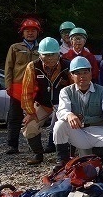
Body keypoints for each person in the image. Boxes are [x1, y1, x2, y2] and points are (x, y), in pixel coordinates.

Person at [53, 57, 103, 170]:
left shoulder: (102, 91)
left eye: (85, 72)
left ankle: (99, 158)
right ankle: (62, 161)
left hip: (98, 130)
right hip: (78, 132)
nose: (82, 76)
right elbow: (61, 110)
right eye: (77, 73)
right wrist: (69, 115)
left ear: (91, 73)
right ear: (71, 76)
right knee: (59, 125)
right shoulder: (66, 91)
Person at [20, 37, 72, 164]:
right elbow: (26, 92)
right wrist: (30, 113)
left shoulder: (68, 66)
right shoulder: (32, 67)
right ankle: (38, 154)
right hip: (43, 104)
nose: (49, 58)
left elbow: (75, 90)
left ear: (58, 54)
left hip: (62, 104)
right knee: (29, 127)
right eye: (46, 55)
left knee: (65, 127)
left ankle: (64, 156)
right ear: (40, 54)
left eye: (53, 55)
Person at [5, 18, 41, 154]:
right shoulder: (15, 47)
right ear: (23, 33)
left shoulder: (41, 47)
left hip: (36, 88)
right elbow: (8, 67)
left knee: (35, 117)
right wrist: (8, 85)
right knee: (14, 117)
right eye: (27, 31)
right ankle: (12, 145)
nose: (30, 33)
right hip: (18, 87)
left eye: (33, 31)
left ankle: (34, 146)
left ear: (37, 33)